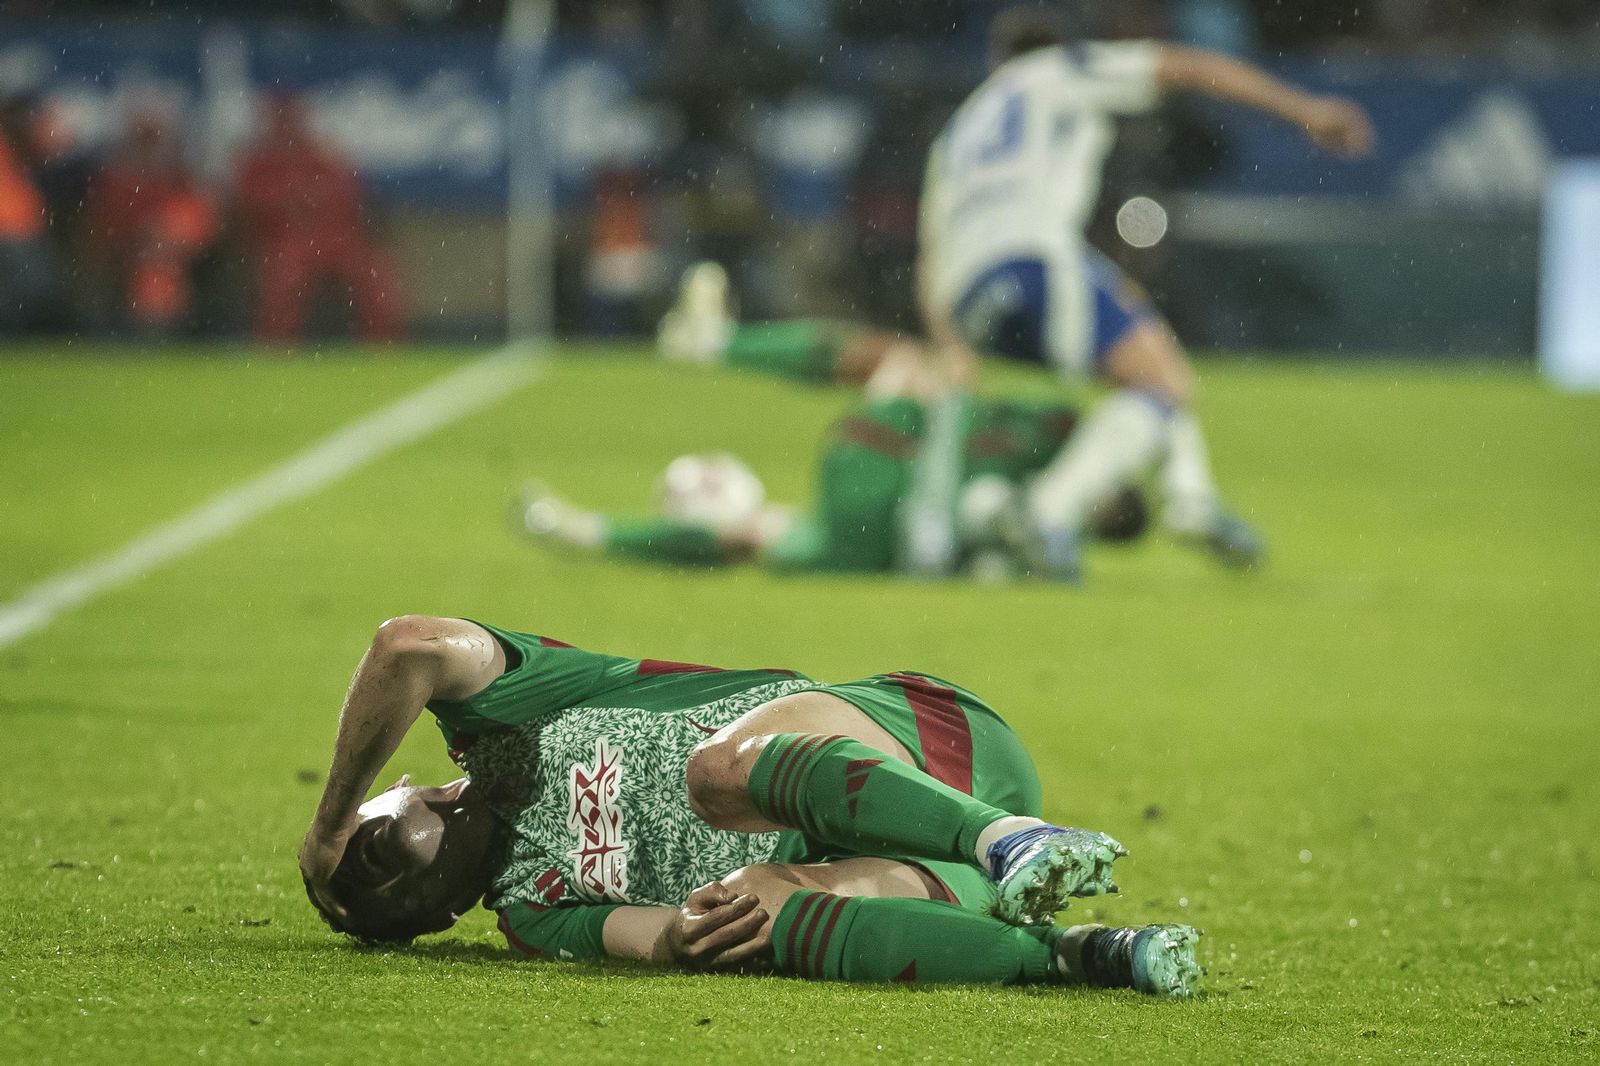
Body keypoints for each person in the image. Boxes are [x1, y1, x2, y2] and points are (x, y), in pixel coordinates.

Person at [299, 615, 1202, 994]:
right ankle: (1079, 956)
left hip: (925, 747)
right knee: (751, 906)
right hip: (915, 873)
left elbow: (406, 646)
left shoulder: (508, 719)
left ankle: (1010, 837)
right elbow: (654, 935)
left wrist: (326, 827)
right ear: (442, 906)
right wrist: (692, 932)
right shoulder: (531, 910)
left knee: (715, 771)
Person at [917, 7, 1377, 579]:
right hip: (1030, 255)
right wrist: (1302, 110)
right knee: (1163, 382)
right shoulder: (1058, 71)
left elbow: (929, 256)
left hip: (965, 294)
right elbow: (1183, 66)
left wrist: (951, 347)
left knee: (1143, 340)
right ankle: (1046, 513)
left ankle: (1188, 496)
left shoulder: (959, 131)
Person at [517, 393, 1151, 576]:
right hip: (898, 523)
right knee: (756, 535)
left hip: (896, 541)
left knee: (753, 537)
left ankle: (591, 532)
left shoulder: (1053, 525)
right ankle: (593, 532)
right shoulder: (1045, 460)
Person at [235, 95, 403, 345]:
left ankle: (385, 348)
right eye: (281, 122)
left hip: (338, 239)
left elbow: (351, 197)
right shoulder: (258, 162)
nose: (286, 129)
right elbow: (252, 209)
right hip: (287, 242)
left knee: (374, 274)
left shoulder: (324, 156)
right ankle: (276, 349)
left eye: (291, 121)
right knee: (284, 279)